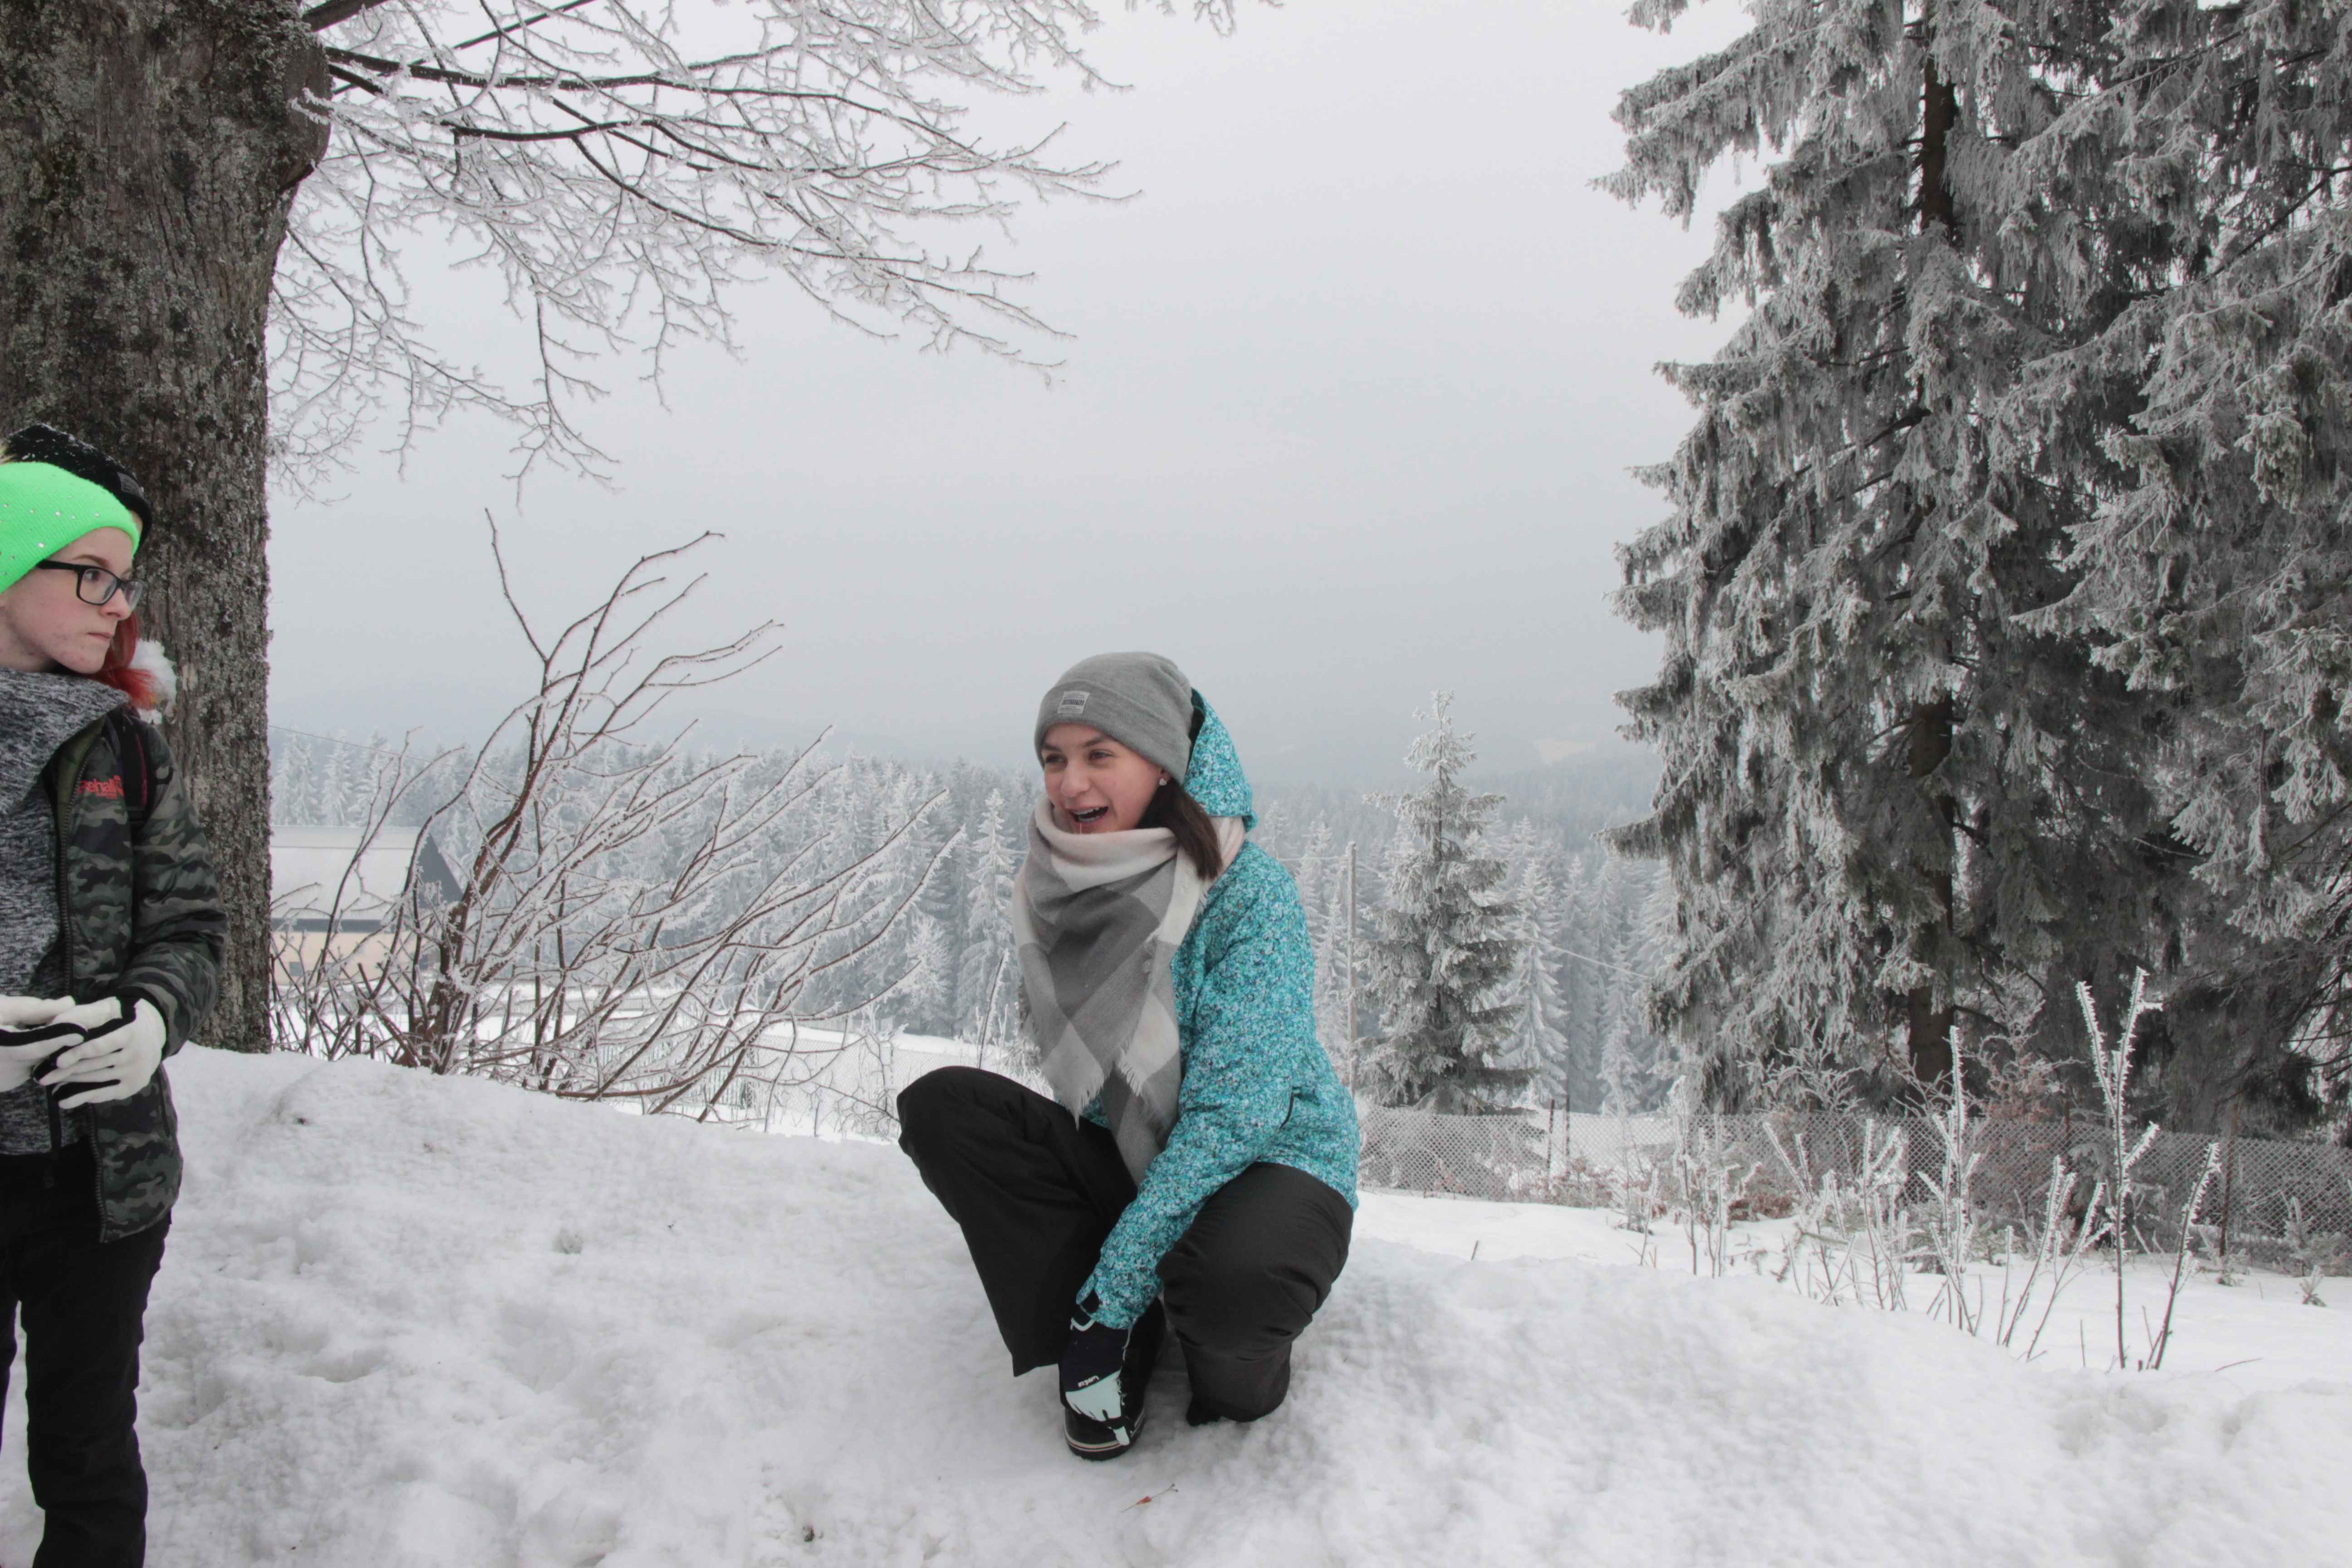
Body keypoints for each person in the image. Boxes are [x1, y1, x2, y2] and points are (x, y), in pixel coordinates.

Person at [898, 652, 1357, 1460]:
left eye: (1099, 755)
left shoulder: (1248, 894)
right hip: (1136, 1153)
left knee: (1229, 1295)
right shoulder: (1059, 887)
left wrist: (1112, 1289)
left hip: (1268, 1159)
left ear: (1164, 764)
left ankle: (1190, 1336)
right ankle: (1125, 1329)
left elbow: (1236, 1118)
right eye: (1054, 758)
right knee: (945, 1111)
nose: (1070, 783)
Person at [0, 424, 224, 1566]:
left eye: (124, 579)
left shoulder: (123, 744)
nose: (118, 602)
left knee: (89, 1458)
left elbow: (189, 925)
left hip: (100, 1176)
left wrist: (150, 1020)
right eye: (91, 572)